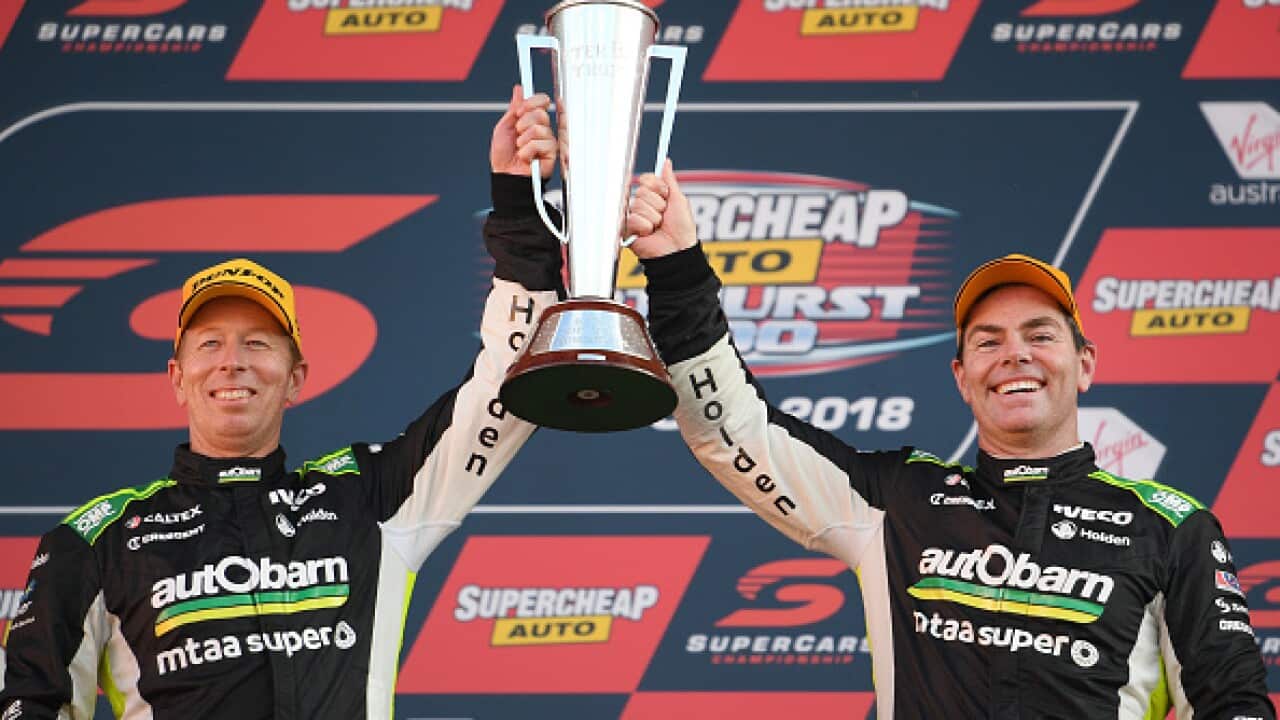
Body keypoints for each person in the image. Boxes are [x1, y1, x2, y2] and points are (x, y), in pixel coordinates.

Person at [625, 162, 1275, 719]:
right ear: (963, 379)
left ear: (1086, 364)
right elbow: (732, 430)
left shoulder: (1169, 526)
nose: (1014, 354)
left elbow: (1232, 698)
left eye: (1041, 335)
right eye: (988, 342)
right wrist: (679, 270)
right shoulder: (898, 500)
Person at [0, 87, 562, 720]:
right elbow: (32, 705)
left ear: (296, 378)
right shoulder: (97, 539)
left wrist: (517, 206)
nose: (232, 361)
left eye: (258, 343)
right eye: (209, 343)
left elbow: (510, 388)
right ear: (178, 377)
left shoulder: (368, 498)